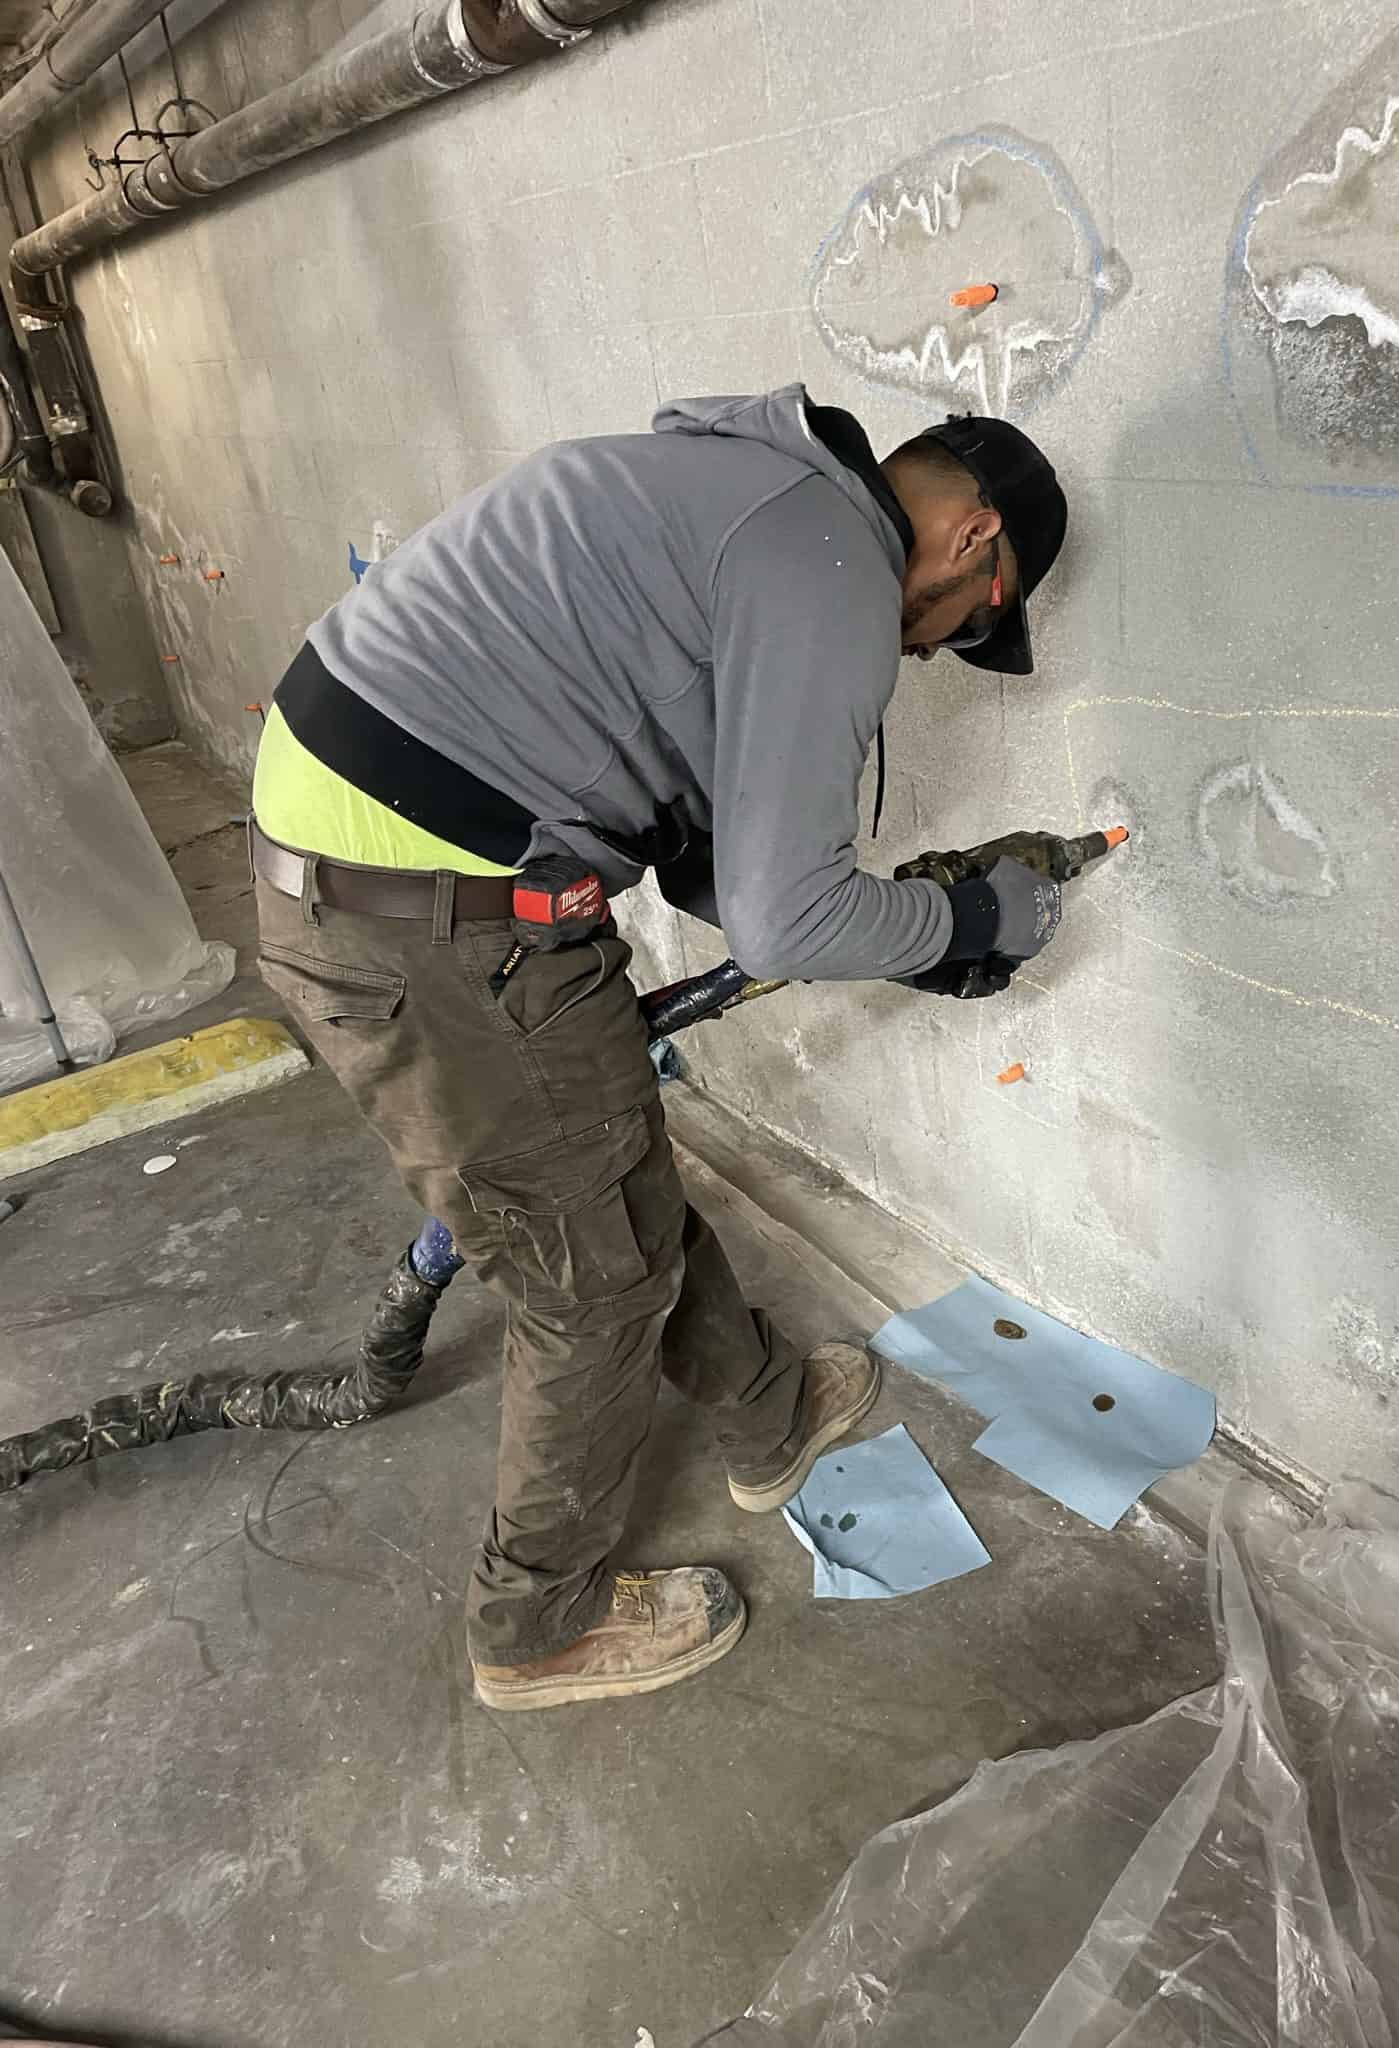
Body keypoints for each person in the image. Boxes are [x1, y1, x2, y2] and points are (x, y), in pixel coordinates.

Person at [249, 385, 1068, 1712]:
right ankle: (535, 1626)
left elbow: (705, 847)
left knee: (604, 1161)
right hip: (423, 913)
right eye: (975, 620)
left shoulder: (753, 487)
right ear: (974, 542)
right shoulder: (829, 567)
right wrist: (970, 916)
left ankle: (764, 1414)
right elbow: (787, 915)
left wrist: (896, 921)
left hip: (389, 862)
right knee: (588, 1282)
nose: (943, 647)